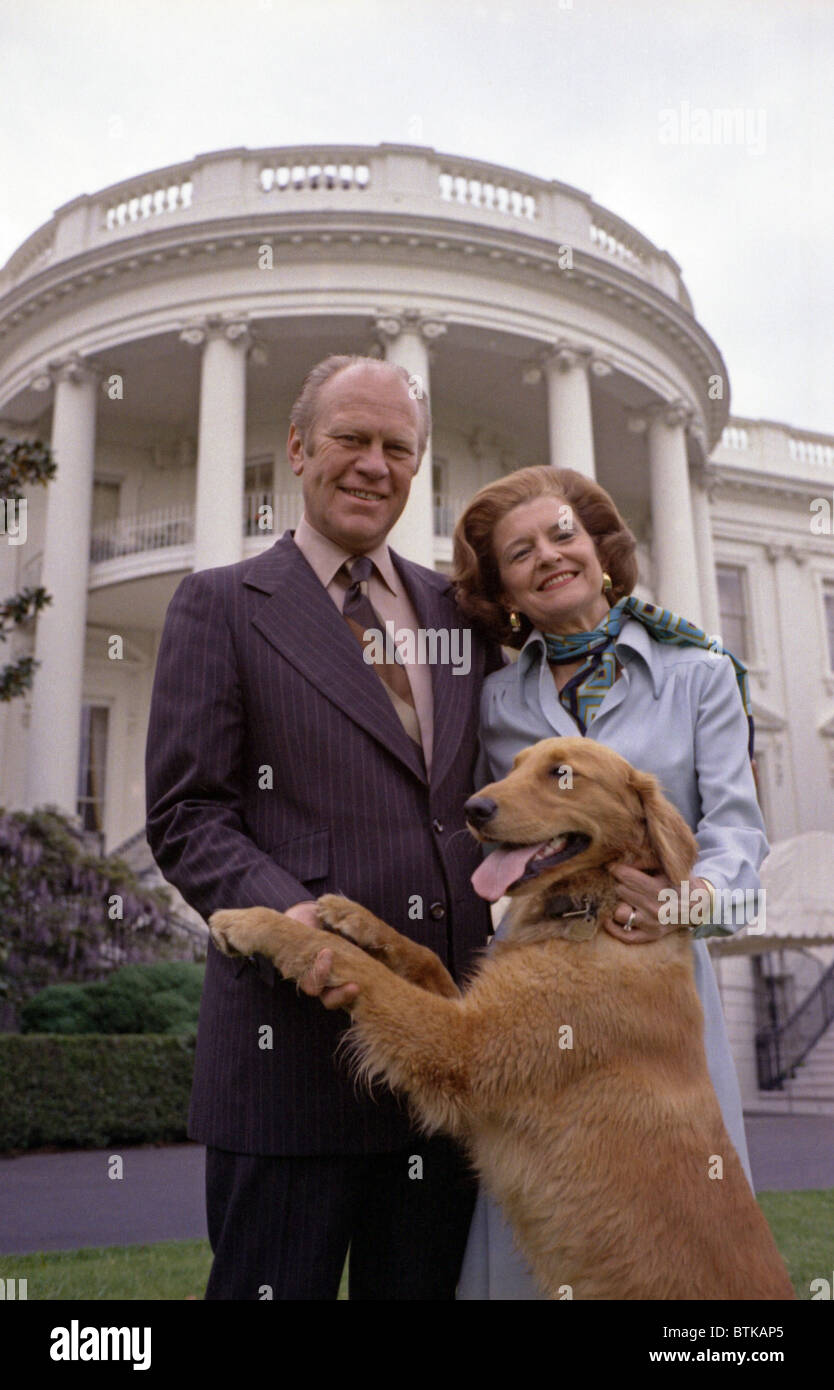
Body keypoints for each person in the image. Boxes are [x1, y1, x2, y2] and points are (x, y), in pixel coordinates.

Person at [144, 354, 501, 1300]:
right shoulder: (219, 604)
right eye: (351, 438)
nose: (373, 464)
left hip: (438, 1060)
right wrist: (293, 924)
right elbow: (188, 813)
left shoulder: (460, 617)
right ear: (299, 450)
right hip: (289, 1055)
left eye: (397, 447)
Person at [447, 463, 769, 1299]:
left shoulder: (697, 672)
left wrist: (689, 904)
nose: (549, 556)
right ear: (505, 588)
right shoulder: (491, 703)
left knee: (677, 1245)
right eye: (520, 553)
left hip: (653, 995)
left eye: (563, 535)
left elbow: (738, 832)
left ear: (600, 550)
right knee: (542, 1223)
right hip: (541, 988)